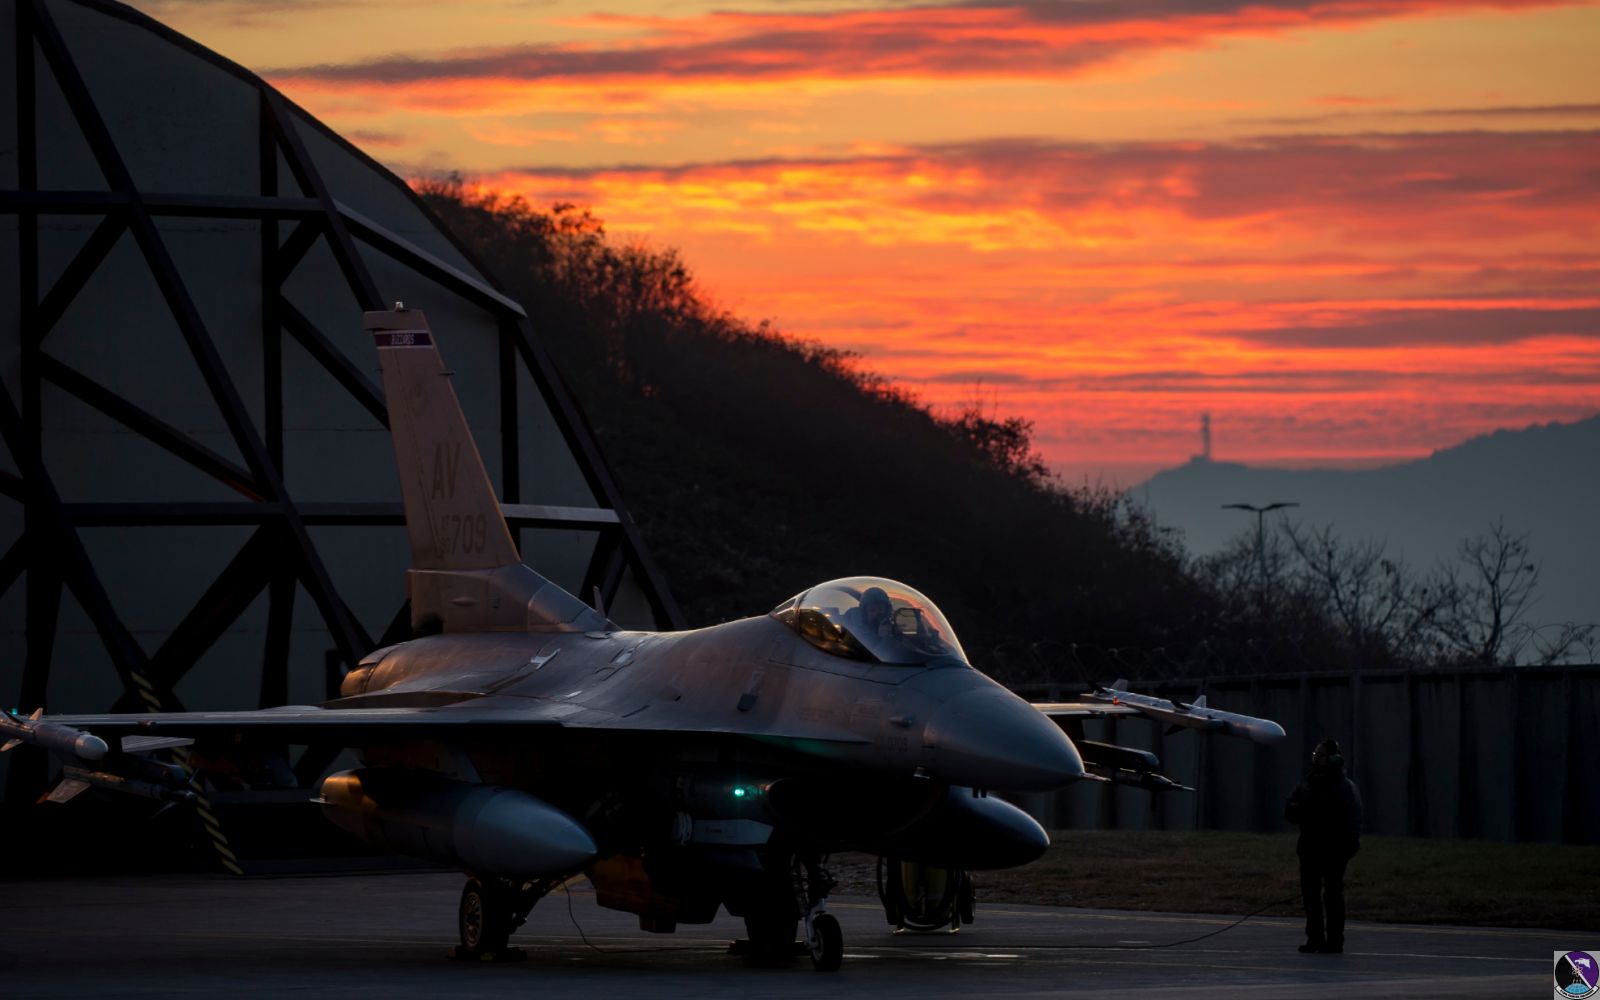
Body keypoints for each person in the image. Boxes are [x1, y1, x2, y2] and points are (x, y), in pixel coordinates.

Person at [1284, 738, 1362, 954]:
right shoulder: (1308, 783)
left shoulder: (1343, 788)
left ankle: (1335, 941)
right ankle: (1315, 938)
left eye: (1321, 755)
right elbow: (1292, 810)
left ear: (1333, 759)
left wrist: (1347, 845)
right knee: (1311, 895)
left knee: (1332, 895)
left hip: (1334, 850)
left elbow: (1347, 819)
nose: (1316, 759)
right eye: (1315, 755)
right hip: (1310, 848)